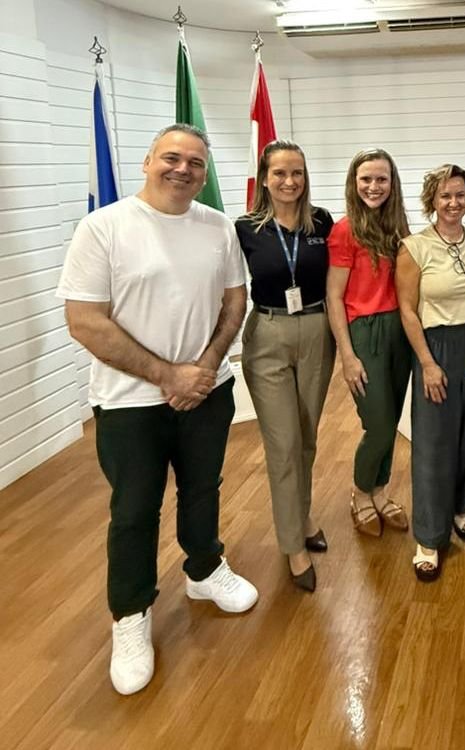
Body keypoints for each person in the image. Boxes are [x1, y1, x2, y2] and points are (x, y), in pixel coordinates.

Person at [57, 124, 259, 696]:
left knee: (202, 488)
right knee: (134, 510)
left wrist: (206, 366)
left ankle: (204, 569)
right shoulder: (104, 227)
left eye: (195, 162)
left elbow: (234, 301)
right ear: (148, 161)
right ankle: (131, 613)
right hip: (129, 404)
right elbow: (84, 321)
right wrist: (169, 375)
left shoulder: (217, 226)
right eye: (172, 158)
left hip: (208, 391)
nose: (183, 169)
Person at [236, 140, 335, 593]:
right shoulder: (245, 228)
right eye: (279, 173)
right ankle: (293, 545)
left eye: (297, 172)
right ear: (264, 177)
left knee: (307, 436)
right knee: (283, 442)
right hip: (269, 334)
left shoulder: (322, 223)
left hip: (316, 329)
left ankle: (303, 513)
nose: (289, 181)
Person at [396, 164, 465, 580]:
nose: (453, 203)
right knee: (433, 442)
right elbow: (407, 310)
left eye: (460, 195)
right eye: (445, 196)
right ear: (432, 201)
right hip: (435, 348)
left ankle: (460, 507)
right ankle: (429, 534)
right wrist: (426, 362)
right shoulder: (414, 247)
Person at [327, 148, 412, 538]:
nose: (374, 186)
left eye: (381, 179)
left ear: (392, 184)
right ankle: (360, 491)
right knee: (377, 424)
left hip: (399, 329)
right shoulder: (345, 230)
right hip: (365, 331)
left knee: (391, 420)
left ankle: (380, 490)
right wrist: (347, 355)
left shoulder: (398, 228)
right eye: (366, 179)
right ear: (354, 182)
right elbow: (334, 297)